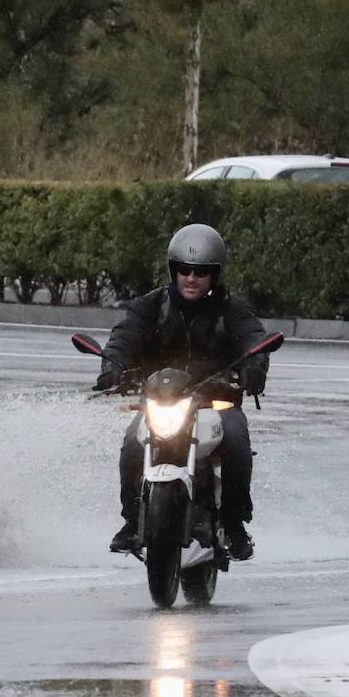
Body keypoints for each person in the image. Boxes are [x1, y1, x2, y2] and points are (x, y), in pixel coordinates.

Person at [97, 223, 269, 561]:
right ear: (173, 270)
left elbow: (255, 339)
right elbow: (124, 336)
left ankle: (234, 523)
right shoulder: (151, 306)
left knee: (236, 437)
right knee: (133, 442)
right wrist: (111, 368)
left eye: (201, 272)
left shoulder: (232, 309)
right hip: (163, 398)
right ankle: (132, 521)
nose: (191, 278)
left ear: (214, 274)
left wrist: (254, 369)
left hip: (215, 400)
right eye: (184, 270)